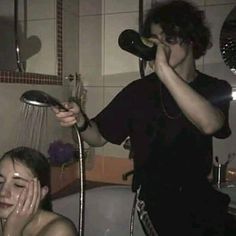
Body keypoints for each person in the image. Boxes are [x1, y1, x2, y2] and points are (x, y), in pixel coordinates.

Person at [53, 0, 236, 235]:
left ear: (191, 38)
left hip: (201, 200)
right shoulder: (139, 91)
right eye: (154, 39)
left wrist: (164, 71)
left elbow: (210, 124)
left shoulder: (214, 87)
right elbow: (97, 137)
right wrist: (80, 121)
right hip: (158, 206)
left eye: (168, 37)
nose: (160, 44)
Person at [0, 146, 77, 236]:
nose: (3, 192)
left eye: (18, 185)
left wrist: (11, 231)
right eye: (0, 181)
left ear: (42, 193)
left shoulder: (60, 231)